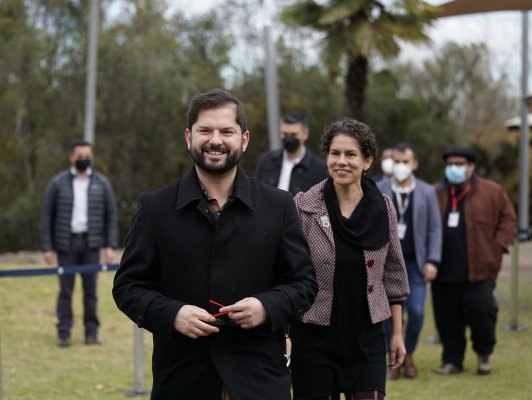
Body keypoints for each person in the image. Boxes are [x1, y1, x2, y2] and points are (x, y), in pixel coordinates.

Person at [112, 89, 317, 400]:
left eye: (227, 131)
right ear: (188, 137)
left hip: (258, 379)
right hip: (183, 379)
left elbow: (303, 283)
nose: (215, 140)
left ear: (244, 139)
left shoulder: (279, 205)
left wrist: (266, 307)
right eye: (205, 130)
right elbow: (128, 286)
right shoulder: (156, 207)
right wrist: (172, 314)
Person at [291, 118, 409, 400]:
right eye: (335, 153)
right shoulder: (303, 207)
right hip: (313, 342)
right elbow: (288, 273)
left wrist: (397, 333)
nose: (341, 161)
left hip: (366, 342)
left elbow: (394, 277)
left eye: (351, 154)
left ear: (368, 161)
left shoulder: (384, 208)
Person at [433, 147, 516, 375]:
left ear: (471, 167)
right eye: (450, 164)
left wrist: (497, 247)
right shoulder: (436, 193)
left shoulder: (492, 192)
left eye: (459, 164)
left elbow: (508, 219)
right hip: (443, 272)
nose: (453, 169)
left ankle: (484, 355)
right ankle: (452, 360)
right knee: (447, 319)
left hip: (480, 271)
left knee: (483, 314)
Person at [40, 140, 118, 347]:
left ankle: (91, 333)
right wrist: (47, 247)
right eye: (80, 156)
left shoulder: (102, 184)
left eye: (87, 156)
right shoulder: (57, 183)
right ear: (71, 157)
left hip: (91, 244)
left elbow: (111, 215)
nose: (84, 159)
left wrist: (110, 245)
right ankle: (64, 332)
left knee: (90, 291)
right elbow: (47, 216)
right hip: (66, 244)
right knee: (66, 291)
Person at [377, 143, 442, 379]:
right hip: (386, 264)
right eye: (397, 161)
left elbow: (435, 228)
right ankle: (393, 358)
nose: (401, 166)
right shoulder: (378, 188)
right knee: (388, 315)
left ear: (414, 164)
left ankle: (409, 353)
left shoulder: (426, 191)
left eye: (405, 161)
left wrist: (433, 260)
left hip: (415, 263)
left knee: (416, 312)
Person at [253, 110, 328, 194]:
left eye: (293, 135)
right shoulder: (266, 161)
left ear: (305, 134)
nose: (289, 139)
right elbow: (255, 192)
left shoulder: (319, 168)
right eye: (285, 134)